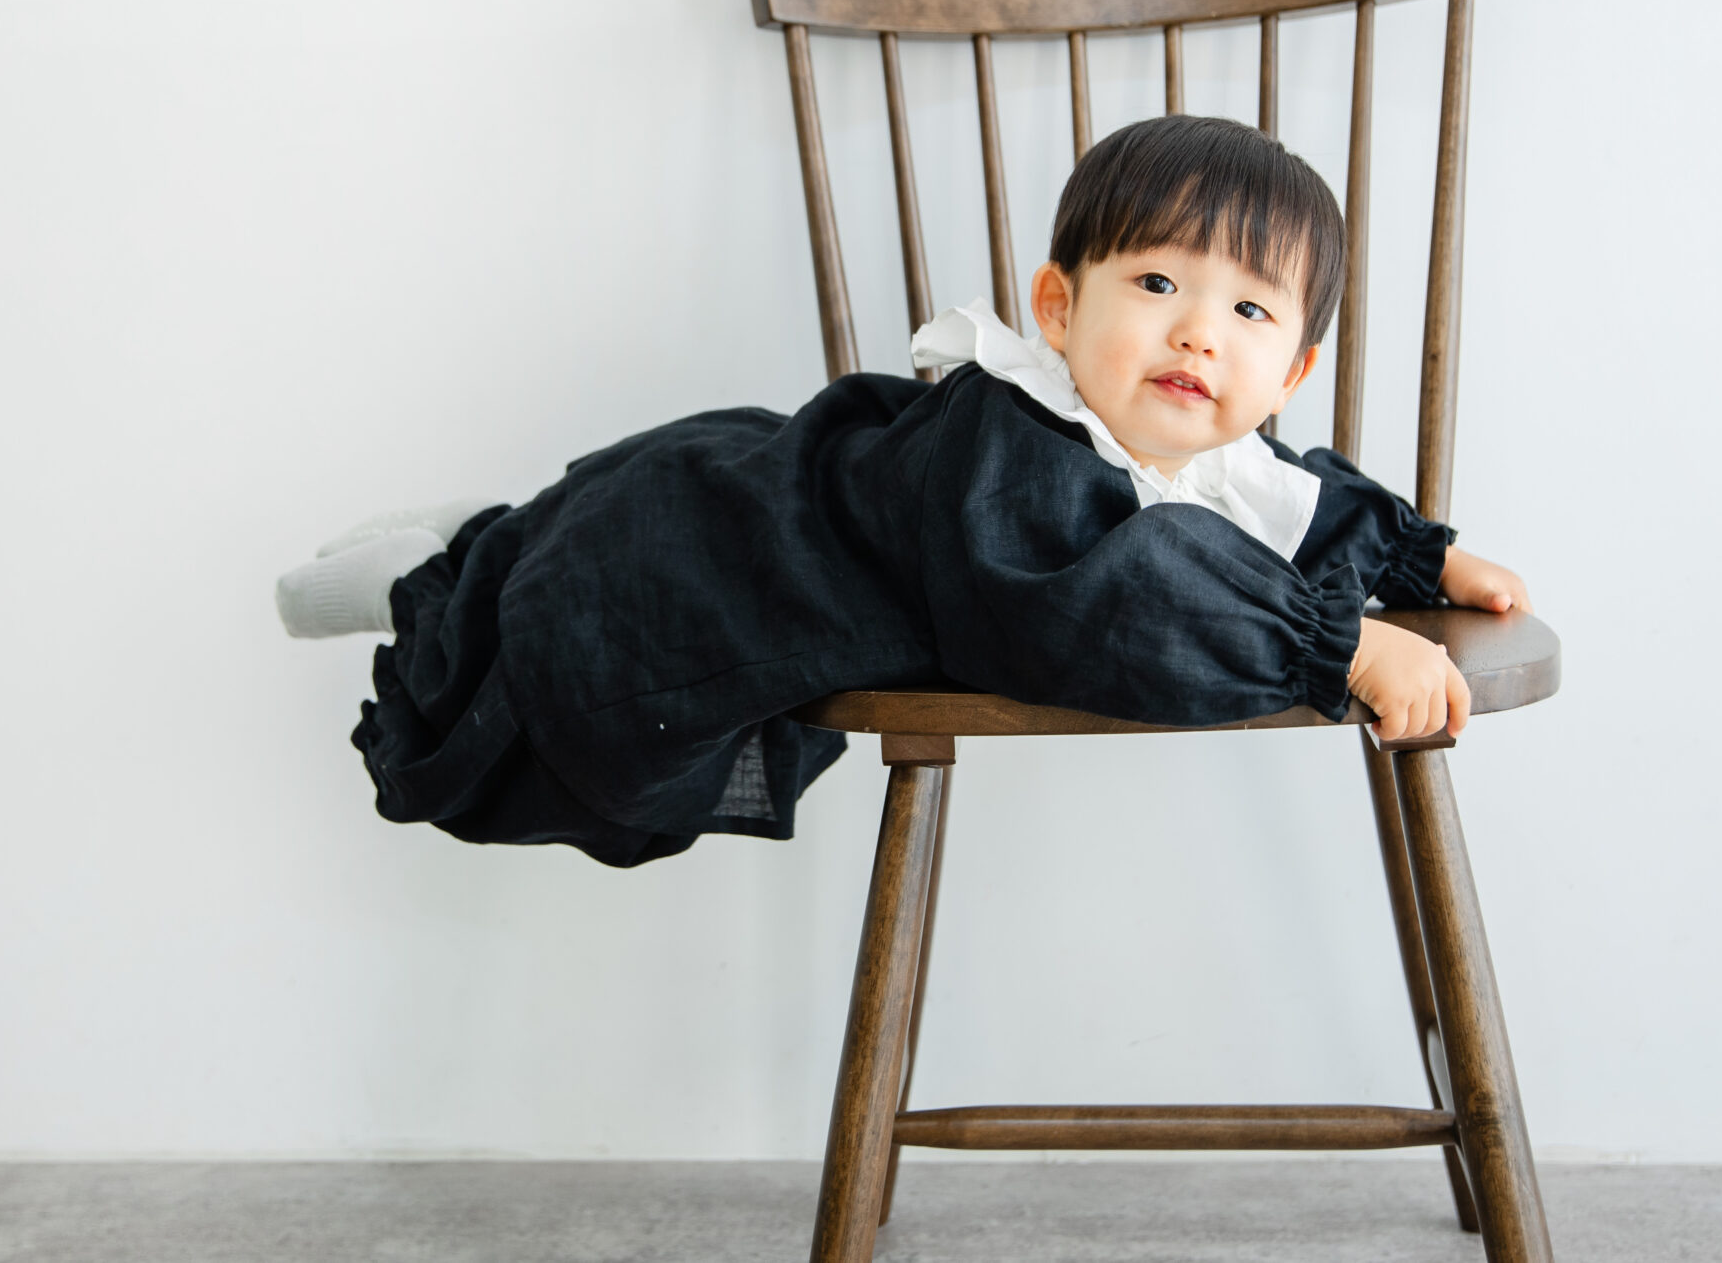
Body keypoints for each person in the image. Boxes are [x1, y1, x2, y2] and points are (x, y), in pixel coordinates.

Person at [277, 116, 1530, 867]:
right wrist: (1340, 647)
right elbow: (1113, 600)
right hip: (718, 539)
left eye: (1248, 309)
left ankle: (472, 545)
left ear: (1292, 367)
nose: (1197, 333)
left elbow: (1285, 495)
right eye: (1155, 285)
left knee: (534, 562)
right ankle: (423, 576)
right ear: (1059, 307)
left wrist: (1417, 563)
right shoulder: (1020, 442)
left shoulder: (1203, 439)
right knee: (557, 631)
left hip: (767, 496)